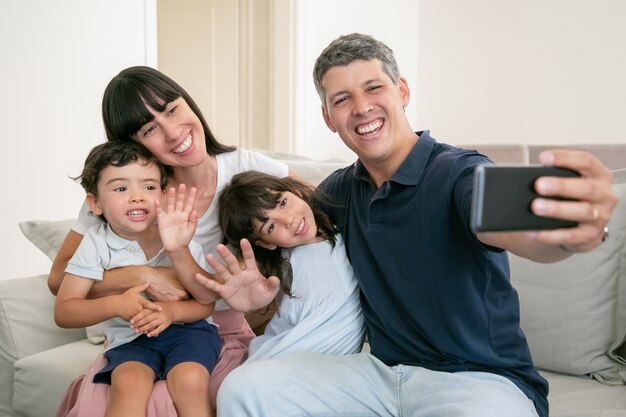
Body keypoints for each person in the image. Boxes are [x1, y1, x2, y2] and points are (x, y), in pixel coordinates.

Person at [207, 33, 618, 417]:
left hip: (475, 381)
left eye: (373, 88)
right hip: (378, 376)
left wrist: (569, 235)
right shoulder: (335, 194)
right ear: (329, 118)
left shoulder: (460, 174)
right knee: (244, 389)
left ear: (401, 91)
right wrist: (257, 308)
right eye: (343, 99)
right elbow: (288, 250)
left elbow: (513, 229)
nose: (362, 107)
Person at [51, 66, 289, 417]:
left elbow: (312, 217)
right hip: (134, 334)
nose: (174, 132)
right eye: (150, 129)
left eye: (172, 109)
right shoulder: (119, 197)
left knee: (192, 388)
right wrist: (140, 277)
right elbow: (60, 282)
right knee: (123, 392)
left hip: (205, 331)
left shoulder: (245, 170)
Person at [55, 140, 222, 417]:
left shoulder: (177, 237)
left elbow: (206, 303)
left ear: (164, 195)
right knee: (129, 384)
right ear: (95, 203)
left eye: (149, 187)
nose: (137, 197)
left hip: (188, 333)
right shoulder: (95, 244)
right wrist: (117, 305)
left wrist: (171, 311)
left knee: (190, 379)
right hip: (130, 340)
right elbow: (64, 310)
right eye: (121, 188)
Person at [199, 170, 364, 361]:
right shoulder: (282, 263)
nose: (288, 220)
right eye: (270, 227)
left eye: (283, 203)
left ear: (294, 191)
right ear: (266, 243)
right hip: (278, 354)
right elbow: (237, 279)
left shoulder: (343, 224)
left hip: (322, 362)